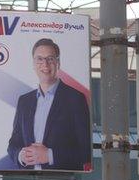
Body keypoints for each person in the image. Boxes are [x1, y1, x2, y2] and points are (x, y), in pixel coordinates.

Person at [6, 38, 92, 171]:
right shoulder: (24, 101)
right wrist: (20, 155)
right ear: (33, 64)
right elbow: (13, 144)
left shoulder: (75, 99)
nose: (45, 64)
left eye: (50, 59)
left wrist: (50, 156)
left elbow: (86, 150)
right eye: (39, 59)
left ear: (58, 63)